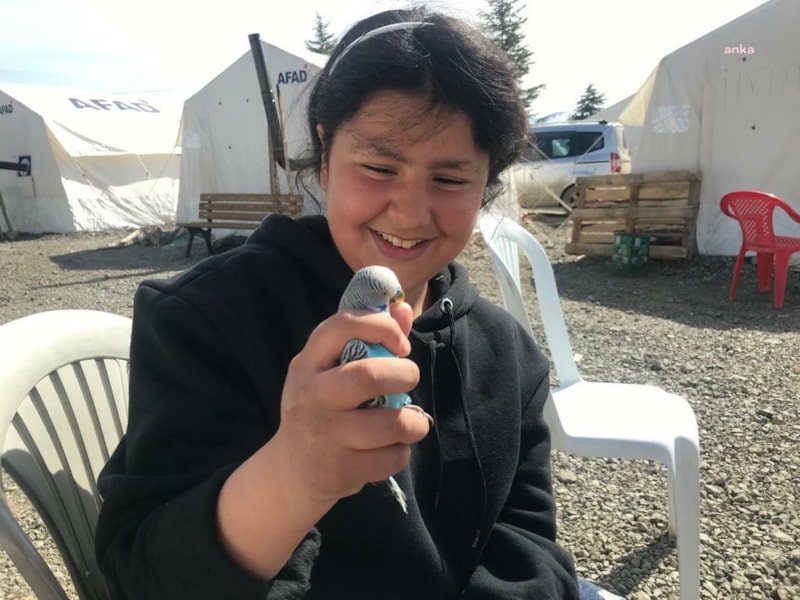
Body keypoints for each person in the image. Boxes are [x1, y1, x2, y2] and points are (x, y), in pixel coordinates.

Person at [95, 7, 623, 600]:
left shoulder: (506, 352)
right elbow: (141, 573)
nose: (409, 212)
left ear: (487, 183)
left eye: (450, 180)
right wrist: (295, 472)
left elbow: (528, 542)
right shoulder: (207, 318)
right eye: (378, 167)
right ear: (324, 154)